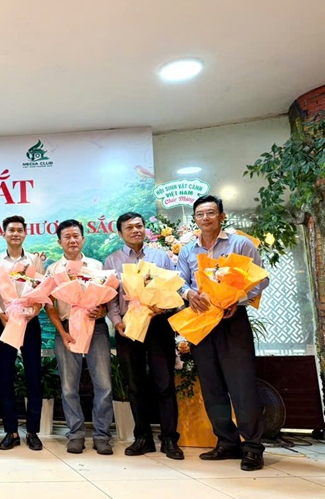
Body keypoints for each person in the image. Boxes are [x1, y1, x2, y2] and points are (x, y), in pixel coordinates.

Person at [177, 195, 269, 471]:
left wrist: (236, 300)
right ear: (195, 219)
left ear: (221, 216)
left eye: (211, 213)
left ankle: (252, 447)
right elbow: (180, 281)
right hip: (202, 320)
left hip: (232, 320)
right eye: (200, 214)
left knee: (242, 385)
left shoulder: (240, 244)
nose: (205, 218)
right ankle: (226, 441)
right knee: (212, 385)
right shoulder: (187, 250)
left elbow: (261, 278)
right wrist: (189, 294)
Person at [105, 212, 183, 460]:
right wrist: (116, 321)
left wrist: (165, 307)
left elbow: (174, 288)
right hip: (128, 326)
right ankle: (143, 438)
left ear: (144, 229)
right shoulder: (112, 260)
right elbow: (109, 297)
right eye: (129, 228)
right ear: (120, 233)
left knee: (164, 382)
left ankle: (169, 439)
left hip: (158, 324)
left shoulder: (161, 257)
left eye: (139, 226)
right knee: (135, 384)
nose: (135, 230)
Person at [45, 219, 114, 455]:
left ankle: (102, 435)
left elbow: (107, 298)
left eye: (76, 236)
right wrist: (62, 331)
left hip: (96, 328)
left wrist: (101, 311)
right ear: (59, 242)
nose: (72, 240)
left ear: (83, 239)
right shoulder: (53, 270)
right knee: (68, 386)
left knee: (103, 384)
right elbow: (49, 305)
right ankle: (75, 434)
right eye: (67, 237)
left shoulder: (96, 265)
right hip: (66, 329)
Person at [0, 215, 44, 451]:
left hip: (30, 322)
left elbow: (42, 289)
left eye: (19, 230)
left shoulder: (34, 260)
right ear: (3, 234)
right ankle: (10, 431)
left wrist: (35, 310)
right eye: (11, 230)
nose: (15, 234)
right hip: (5, 321)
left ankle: (32, 431)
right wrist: (1, 313)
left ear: (25, 234)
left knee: (33, 375)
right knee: (5, 376)